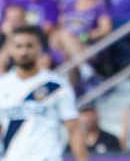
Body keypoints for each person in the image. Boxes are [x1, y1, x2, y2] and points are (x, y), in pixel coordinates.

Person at [0, 26, 88, 161]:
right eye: (18, 46)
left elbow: (74, 129)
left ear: (39, 48)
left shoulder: (56, 85)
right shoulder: (2, 85)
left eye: (29, 46)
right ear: (11, 50)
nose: (24, 51)